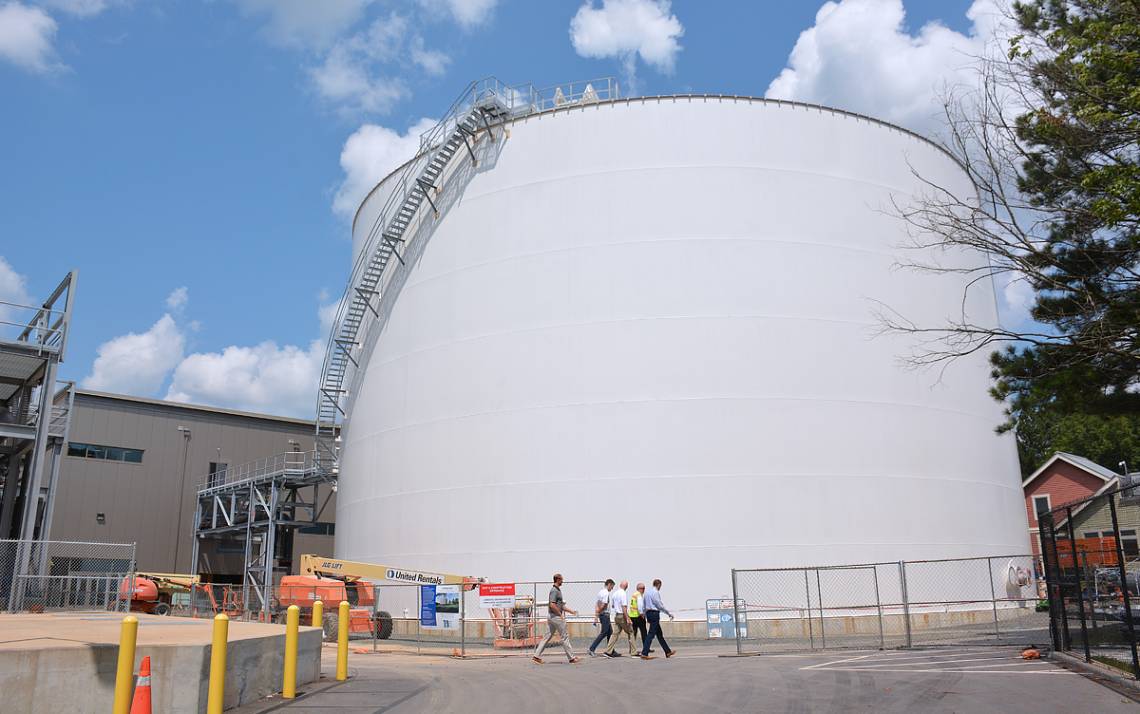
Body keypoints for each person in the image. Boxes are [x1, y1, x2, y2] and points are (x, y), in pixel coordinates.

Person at [533, 573, 580, 664]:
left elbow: (561, 606)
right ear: (558, 579)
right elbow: (552, 604)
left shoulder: (557, 590)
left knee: (547, 637)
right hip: (556, 617)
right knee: (564, 637)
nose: (563, 581)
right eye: (562, 579)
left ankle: (536, 656)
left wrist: (571, 611)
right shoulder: (554, 590)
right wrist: (560, 614)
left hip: (552, 617)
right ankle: (572, 658)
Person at [639, 578, 676, 659]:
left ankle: (667, 651)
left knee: (659, 635)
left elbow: (643, 605)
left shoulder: (647, 593)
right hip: (654, 614)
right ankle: (644, 653)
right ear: (659, 585)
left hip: (649, 613)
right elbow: (659, 604)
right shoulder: (655, 593)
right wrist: (668, 613)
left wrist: (644, 613)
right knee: (651, 634)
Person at [605, 580, 636, 656]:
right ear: (626, 586)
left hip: (616, 616)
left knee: (615, 634)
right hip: (622, 616)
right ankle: (633, 652)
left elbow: (612, 606)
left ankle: (608, 651)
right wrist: (628, 618)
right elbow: (624, 607)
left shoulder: (615, 593)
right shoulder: (623, 594)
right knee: (631, 632)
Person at [588, 579, 616, 657]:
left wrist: (597, 614)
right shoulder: (606, 593)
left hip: (603, 615)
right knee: (604, 632)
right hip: (605, 615)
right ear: (609, 584)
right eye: (612, 587)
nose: (612, 589)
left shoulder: (600, 592)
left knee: (610, 633)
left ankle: (611, 650)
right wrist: (599, 612)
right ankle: (591, 648)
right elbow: (604, 605)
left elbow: (597, 603)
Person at [629, 582, 649, 651]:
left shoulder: (634, 595)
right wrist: (642, 614)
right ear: (640, 589)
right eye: (643, 588)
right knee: (644, 632)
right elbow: (640, 606)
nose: (644, 590)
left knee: (633, 633)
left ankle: (632, 649)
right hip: (638, 616)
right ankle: (646, 648)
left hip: (632, 616)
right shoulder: (639, 595)